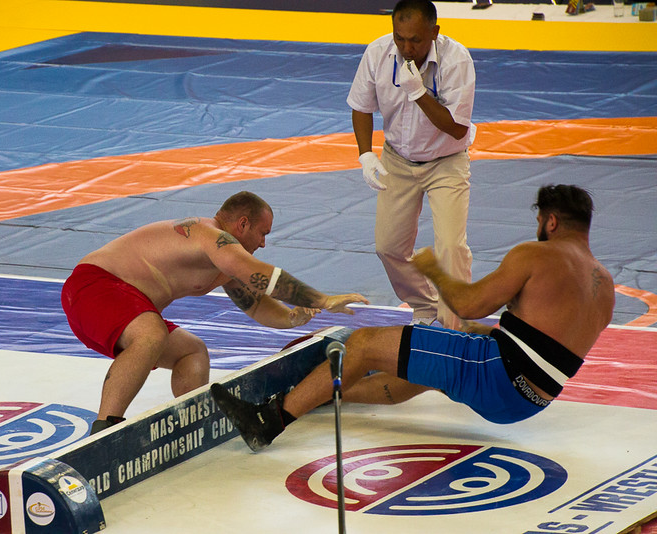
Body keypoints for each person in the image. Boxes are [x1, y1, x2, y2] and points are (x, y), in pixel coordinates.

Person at [212, 185, 615, 451]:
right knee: (421, 371)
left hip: (495, 374)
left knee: (365, 345)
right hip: (529, 402)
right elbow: (539, 344)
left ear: (551, 221)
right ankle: (323, 391)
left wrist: (433, 269)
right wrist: (481, 334)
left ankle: (268, 420)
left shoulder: (538, 253)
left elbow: (469, 305)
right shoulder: (606, 285)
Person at [61, 191, 370, 434]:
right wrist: (323, 299)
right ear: (242, 224)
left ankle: (188, 422)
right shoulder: (210, 236)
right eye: (263, 233)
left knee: (192, 352)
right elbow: (259, 273)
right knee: (151, 332)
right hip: (93, 287)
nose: (263, 243)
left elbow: (257, 303)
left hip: (116, 302)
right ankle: (105, 427)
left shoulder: (224, 262)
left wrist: (292, 317)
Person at [348, 0, 476, 329]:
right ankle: (424, 304)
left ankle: (454, 325)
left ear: (434, 32)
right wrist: (366, 154)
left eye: (415, 40)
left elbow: (457, 127)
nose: (406, 48)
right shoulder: (377, 53)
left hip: (446, 160)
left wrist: (418, 92)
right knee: (388, 246)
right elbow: (361, 106)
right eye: (399, 38)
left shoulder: (457, 59)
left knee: (450, 246)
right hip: (397, 158)